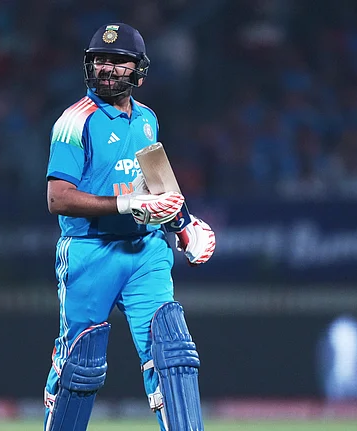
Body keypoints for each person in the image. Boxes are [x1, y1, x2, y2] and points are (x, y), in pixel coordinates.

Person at [43, 22, 216, 430]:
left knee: (173, 353)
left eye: (118, 62)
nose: (106, 69)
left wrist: (183, 225)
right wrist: (126, 203)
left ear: (138, 70)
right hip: (89, 251)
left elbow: (157, 178)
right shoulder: (74, 122)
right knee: (79, 368)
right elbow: (57, 198)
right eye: (100, 60)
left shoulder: (146, 120)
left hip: (145, 253)